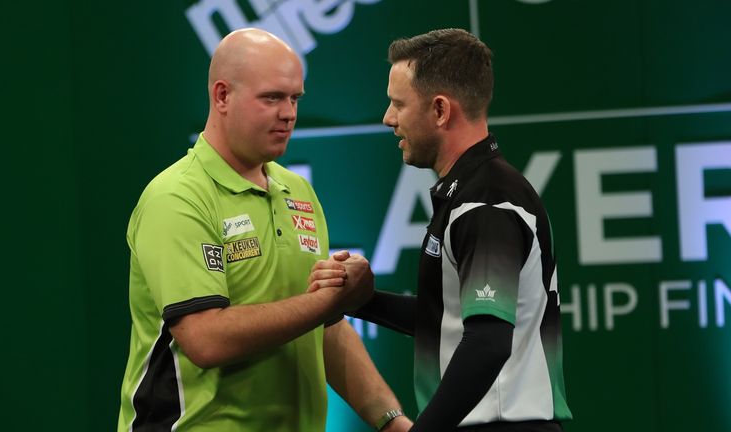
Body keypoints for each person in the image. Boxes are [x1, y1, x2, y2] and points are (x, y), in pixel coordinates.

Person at [117, 28, 412, 432]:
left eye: (294, 98)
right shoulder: (177, 197)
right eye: (272, 97)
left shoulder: (299, 191)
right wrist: (331, 301)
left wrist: (392, 422)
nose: (288, 113)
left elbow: (323, 329)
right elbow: (206, 338)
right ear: (222, 96)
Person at [312, 28, 572, 431]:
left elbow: (486, 343)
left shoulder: (485, 203)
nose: (388, 118)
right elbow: (451, 318)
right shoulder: (472, 193)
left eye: (398, 104)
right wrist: (360, 300)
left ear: (439, 110)